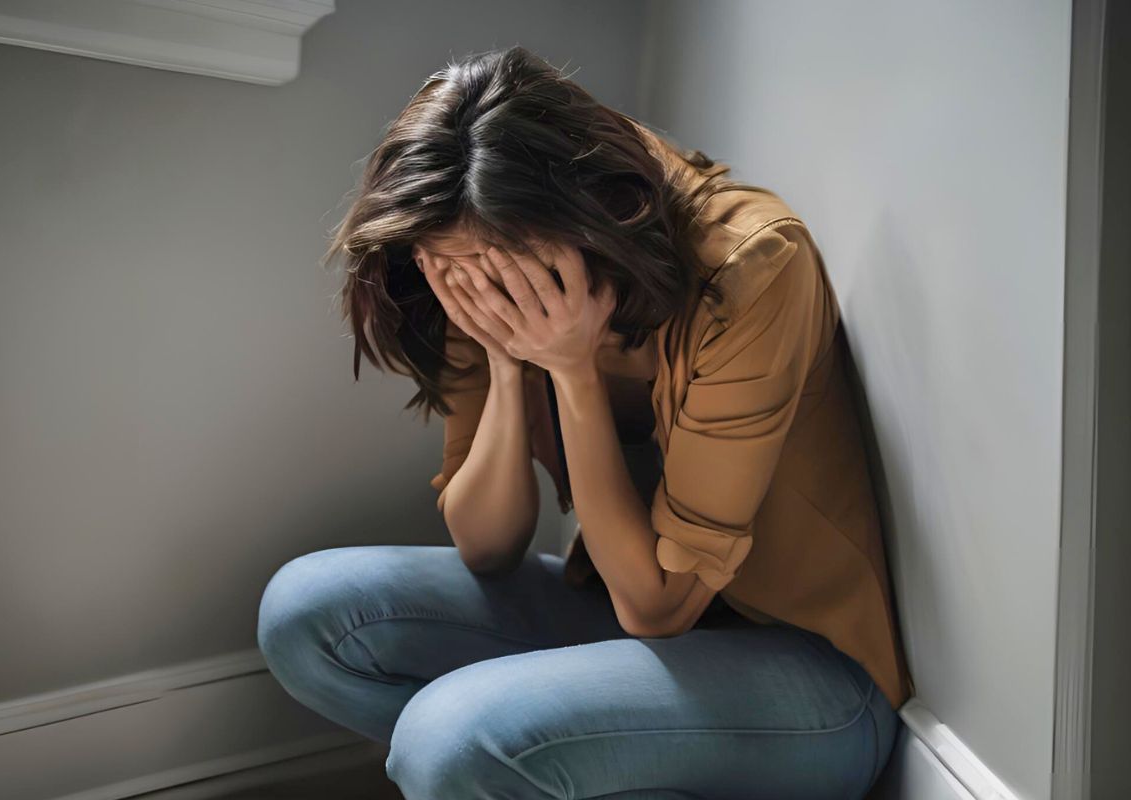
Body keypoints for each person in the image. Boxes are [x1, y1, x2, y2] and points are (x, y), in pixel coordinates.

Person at [257, 44, 913, 799]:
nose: (484, 292)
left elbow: (660, 605)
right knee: (306, 612)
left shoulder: (750, 269)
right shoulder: (475, 251)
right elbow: (487, 546)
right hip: (632, 630)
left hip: (807, 675)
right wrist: (509, 362)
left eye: (503, 270)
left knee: (450, 737)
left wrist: (570, 370)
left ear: (589, 222)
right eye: (455, 270)